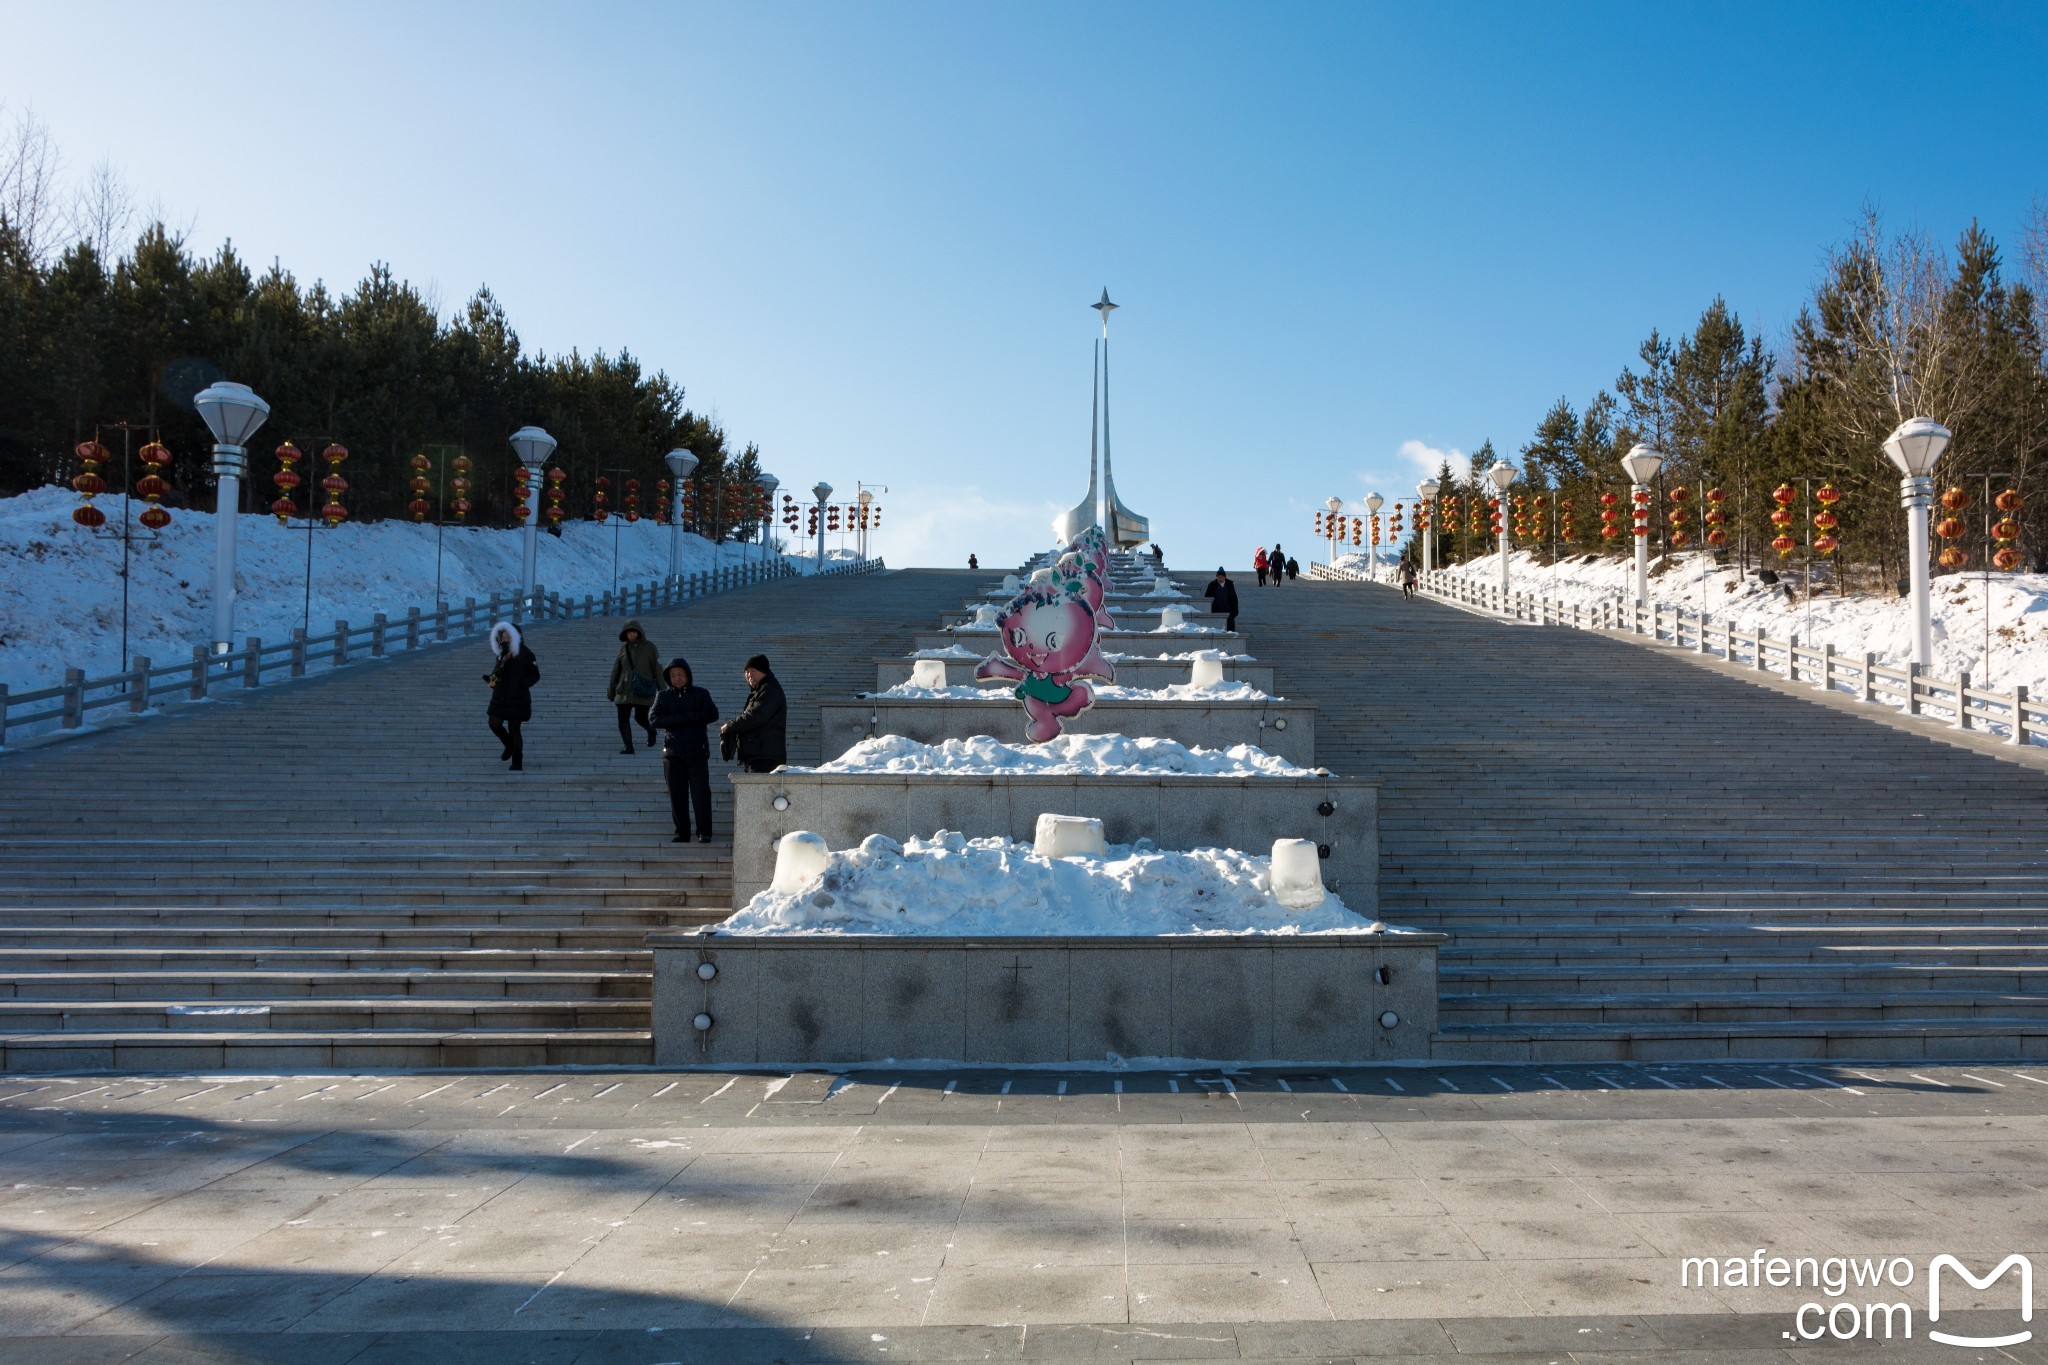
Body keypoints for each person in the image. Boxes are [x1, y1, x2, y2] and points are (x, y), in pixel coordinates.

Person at [649, 657, 720, 843]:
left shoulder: (701, 693)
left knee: (701, 793)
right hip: (673, 753)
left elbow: (712, 714)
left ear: (688, 675)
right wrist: (684, 720)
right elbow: (653, 719)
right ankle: (682, 831)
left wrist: (681, 718)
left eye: (680, 674)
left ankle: (704, 832)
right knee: (676, 794)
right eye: (673, 675)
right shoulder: (663, 696)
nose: (677, 678)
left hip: (697, 751)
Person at [483, 621, 539, 772]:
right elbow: (498, 673)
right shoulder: (502, 655)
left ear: (516, 636)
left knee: (514, 728)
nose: (505, 639)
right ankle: (508, 744)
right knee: (493, 723)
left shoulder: (526, 653)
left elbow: (535, 674)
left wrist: (523, 684)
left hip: (518, 697)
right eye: (502, 636)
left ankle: (517, 761)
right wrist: (492, 679)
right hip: (500, 696)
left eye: (508, 636)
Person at [721, 653, 788, 773]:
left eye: (753, 671)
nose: (749, 675)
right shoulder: (760, 691)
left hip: (765, 757)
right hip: (758, 755)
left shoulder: (770, 690)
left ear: (764, 672)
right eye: (746, 672)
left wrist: (731, 725)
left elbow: (755, 716)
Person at [607, 620, 661, 754]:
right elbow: (616, 670)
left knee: (641, 717)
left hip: (643, 688)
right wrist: (611, 690)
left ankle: (651, 731)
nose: (631, 635)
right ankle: (628, 746)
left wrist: (662, 688)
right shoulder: (623, 649)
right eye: (628, 632)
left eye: (633, 632)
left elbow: (657, 667)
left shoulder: (650, 647)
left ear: (639, 632)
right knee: (622, 719)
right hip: (624, 689)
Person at [1204, 567, 1239, 632]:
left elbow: (1234, 598)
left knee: (1230, 629)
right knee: (1217, 630)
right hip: (1216, 611)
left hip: (1228, 611)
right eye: (1218, 577)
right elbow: (1207, 598)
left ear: (1224, 577)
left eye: (1221, 577)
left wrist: (1235, 610)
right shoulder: (1212, 585)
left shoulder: (1229, 585)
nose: (1220, 578)